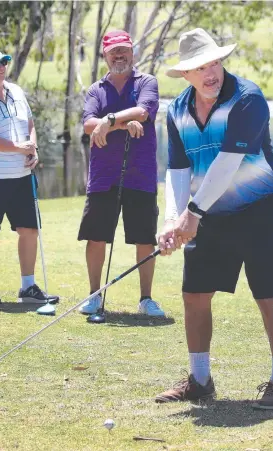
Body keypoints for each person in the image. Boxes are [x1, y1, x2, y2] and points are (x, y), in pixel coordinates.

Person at [155, 29, 273, 409]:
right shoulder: (175, 112)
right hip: (209, 212)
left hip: (260, 208)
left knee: (268, 293)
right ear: (185, 75)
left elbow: (227, 164)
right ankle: (200, 380)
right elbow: (178, 169)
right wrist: (172, 220)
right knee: (194, 294)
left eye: (215, 63)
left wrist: (192, 214)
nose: (211, 73)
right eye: (201, 67)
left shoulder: (247, 99)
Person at [78, 30, 164, 317]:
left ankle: (146, 299)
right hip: (104, 175)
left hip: (140, 174)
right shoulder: (95, 89)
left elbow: (143, 111)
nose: (119, 56)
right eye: (113, 51)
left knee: (144, 238)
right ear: (105, 56)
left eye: (124, 50)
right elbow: (89, 124)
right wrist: (119, 126)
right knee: (96, 236)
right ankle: (94, 295)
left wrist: (111, 119)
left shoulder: (147, 82)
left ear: (132, 53)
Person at [0, 46, 59, 305]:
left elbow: (29, 124)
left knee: (29, 229)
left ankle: (28, 287)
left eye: (4, 62)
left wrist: (33, 148)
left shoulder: (16, 92)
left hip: (21, 175)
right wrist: (19, 147)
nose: (2, 67)